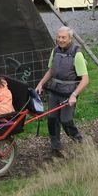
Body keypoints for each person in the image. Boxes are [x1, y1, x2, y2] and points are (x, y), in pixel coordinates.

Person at [35, 26, 89, 156]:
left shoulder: (77, 54)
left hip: (68, 93)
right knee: (52, 119)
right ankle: (56, 148)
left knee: (65, 120)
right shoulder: (55, 51)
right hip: (54, 90)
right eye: (58, 37)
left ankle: (79, 141)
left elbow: (85, 79)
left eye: (63, 37)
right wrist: (41, 83)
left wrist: (74, 95)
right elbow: (51, 70)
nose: (60, 40)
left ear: (70, 38)